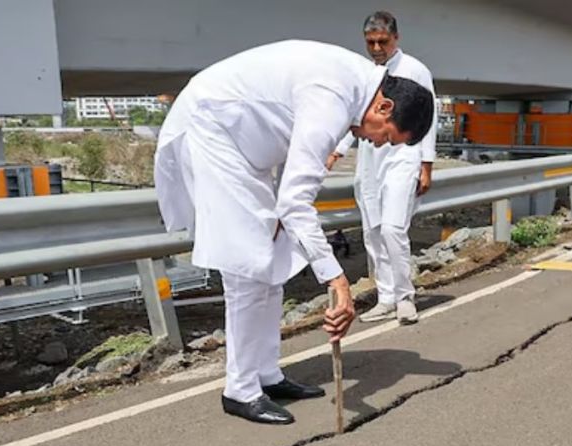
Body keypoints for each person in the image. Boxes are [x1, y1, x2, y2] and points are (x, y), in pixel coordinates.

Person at [154, 40, 434, 425]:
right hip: (212, 130)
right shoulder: (333, 100)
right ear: (384, 107)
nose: (377, 143)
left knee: (273, 259)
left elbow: (295, 180)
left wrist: (286, 223)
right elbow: (294, 201)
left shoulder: (354, 88)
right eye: (387, 135)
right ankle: (240, 389)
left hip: (247, 147)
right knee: (248, 267)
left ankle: (267, 374)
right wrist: (338, 281)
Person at [325, 11, 439, 325]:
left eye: (382, 41)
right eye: (371, 42)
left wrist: (426, 165)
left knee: (392, 229)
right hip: (370, 158)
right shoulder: (363, 73)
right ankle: (385, 297)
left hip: (404, 155)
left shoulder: (416, 70)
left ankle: (405, 298)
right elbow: (353, 117)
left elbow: (428, 119)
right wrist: (336, 152)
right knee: (372, 232)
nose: (376, 48)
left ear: (396, 38)